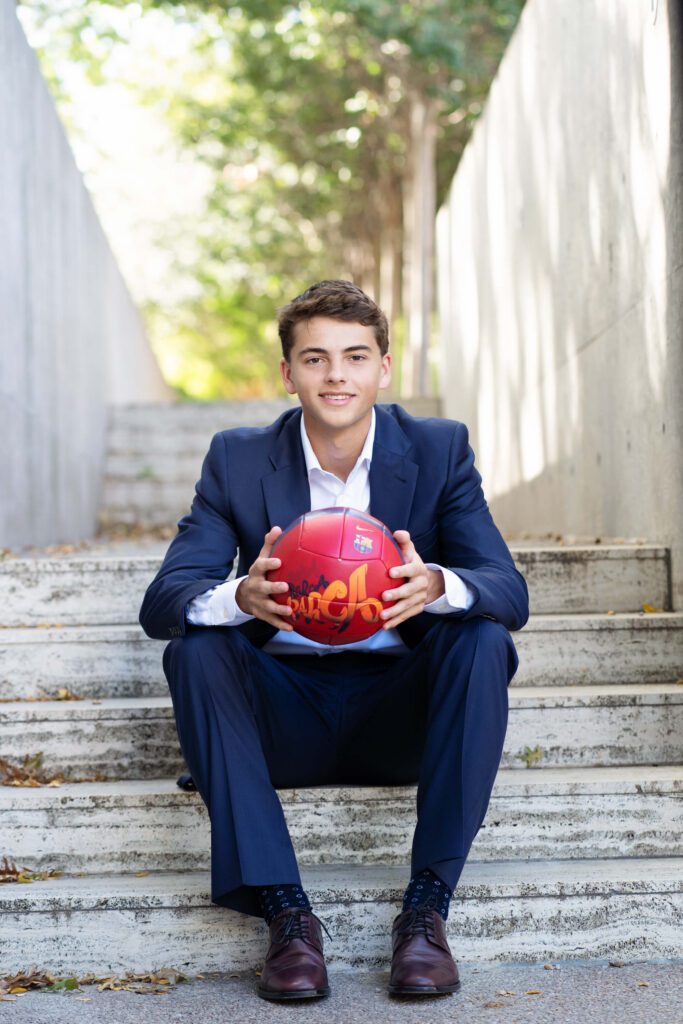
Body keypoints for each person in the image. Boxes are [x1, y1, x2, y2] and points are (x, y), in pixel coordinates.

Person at [139, 279, 529, 1002]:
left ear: (383, 366)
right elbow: (164, 600)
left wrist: (437, 585)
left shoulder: (439, 450)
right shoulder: (237, 458)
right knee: (192, 645)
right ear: (288, 374)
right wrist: (238, 596)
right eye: (314, 359)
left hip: (401, 717)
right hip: (281, 716)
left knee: (480, 639)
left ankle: (425, 913)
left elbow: (508, 591)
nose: (336, 375)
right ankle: (286, 917)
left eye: (354, 356)